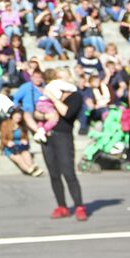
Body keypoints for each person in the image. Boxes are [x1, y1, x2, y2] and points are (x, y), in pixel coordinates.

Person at [33, 70, 86, 221]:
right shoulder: (49, 95)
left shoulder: (75, 96)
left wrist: (53, 98)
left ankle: (79, 205)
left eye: (62, 77)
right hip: (48, 137)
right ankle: (62, 205)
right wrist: (44, 116)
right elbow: (36, 113)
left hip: (64, 136)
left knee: (68, 172)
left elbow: (67, 113)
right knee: (54, 173)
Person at [0, 108, 44, 176]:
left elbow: (26, 138)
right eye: (16, 116)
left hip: (20, 145)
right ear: (12, 116)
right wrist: (8, 143)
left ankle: (32, 167)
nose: (18, 118)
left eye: (19, 116)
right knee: (18, 157)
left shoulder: (22, 125)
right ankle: (30, 170)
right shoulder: (5, 124)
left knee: (26, 153)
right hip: (9, 147)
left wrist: (24, 141)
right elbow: (3, 138)